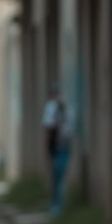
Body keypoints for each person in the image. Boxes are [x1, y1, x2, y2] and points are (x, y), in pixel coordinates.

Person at [41, 85, 73, 216]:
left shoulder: (66, 109)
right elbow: (48, 128)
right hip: (56, 147)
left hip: (64, 147)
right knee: (56, 176)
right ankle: (56, 204)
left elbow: (69, 129)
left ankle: (58, 204)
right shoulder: (51, 108)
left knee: (59, 175)